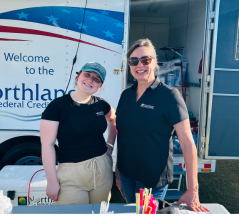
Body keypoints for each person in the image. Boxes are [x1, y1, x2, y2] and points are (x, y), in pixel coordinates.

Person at [115, 39, 210, 212]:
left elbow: (188, 144)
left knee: (145, 214)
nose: (139, 65)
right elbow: (122, 135)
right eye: (134, 61)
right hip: (126, 175)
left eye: (145, 60)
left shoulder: (169, 96)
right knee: (131, 212)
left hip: (151, 181)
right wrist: (118, 173)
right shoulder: (126, 95)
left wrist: (192, 189)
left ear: (155, 62)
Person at [40, 62, 117, 205]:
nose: (90, 80)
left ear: (100, 86)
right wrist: (51, 182)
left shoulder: (101, 104)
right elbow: (47, 145)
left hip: (102, 171)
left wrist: (110, 142)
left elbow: (113, 119)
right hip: (70, 176)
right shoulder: (57, 106)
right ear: (78, 76)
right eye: (87, 74)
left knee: (100, 214)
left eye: (96, 79)